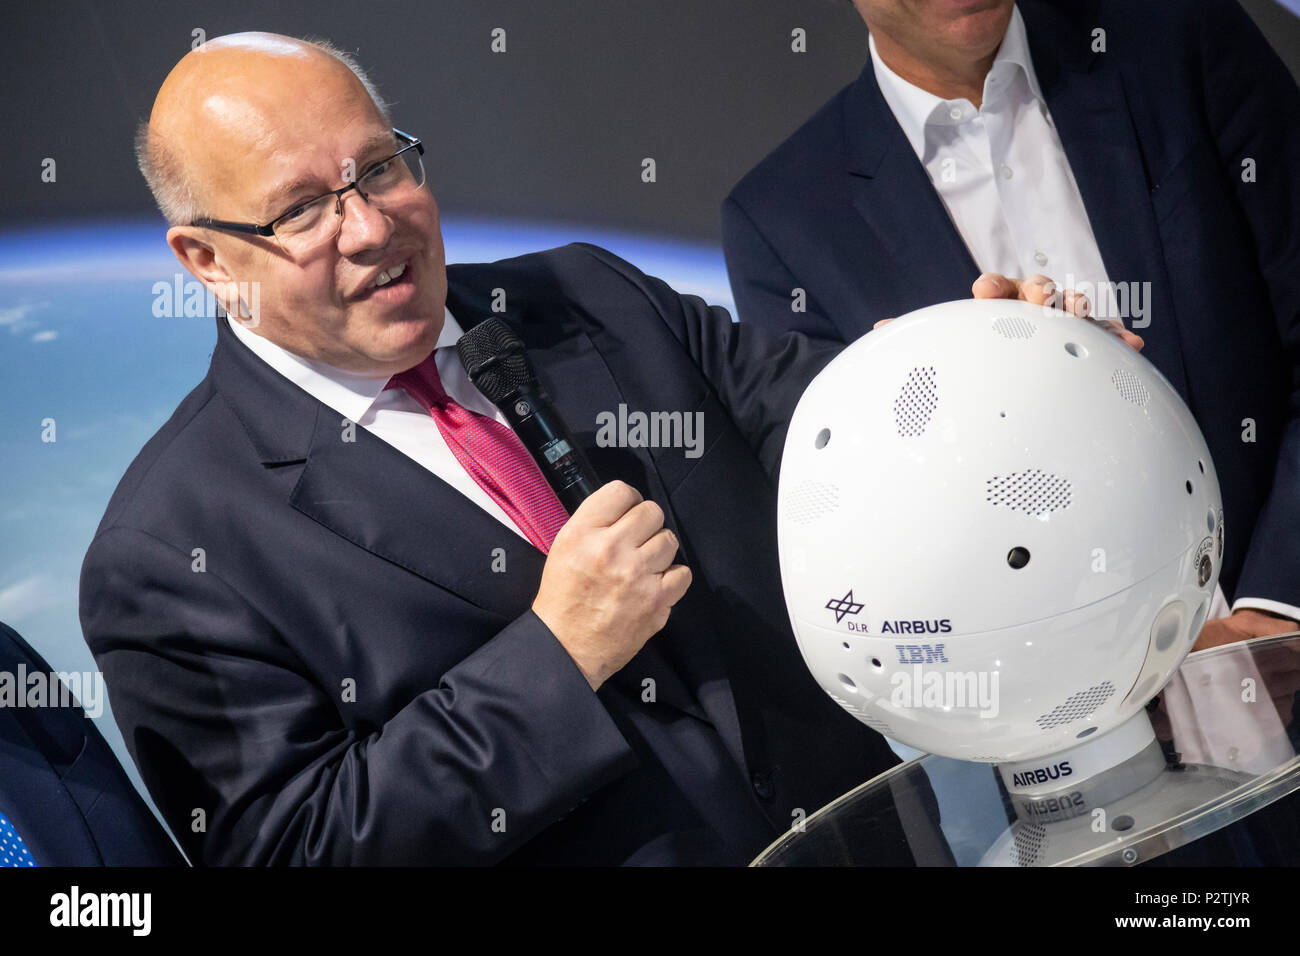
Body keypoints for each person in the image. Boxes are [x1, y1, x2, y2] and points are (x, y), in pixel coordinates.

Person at [81, 32, 1116, 866]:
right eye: (303, 208)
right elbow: (295, 846)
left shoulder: (587, 296)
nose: (368, 227)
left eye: (381, 169)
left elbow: (824, 419)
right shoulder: (170, 550)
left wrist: (971, 369)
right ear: (208, 261)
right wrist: (555, 656)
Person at [722, 0, 1300, 650]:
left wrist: (1278, 609)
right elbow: (867, 529)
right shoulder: (784, 220)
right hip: (1060, 708)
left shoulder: (1180, 38)